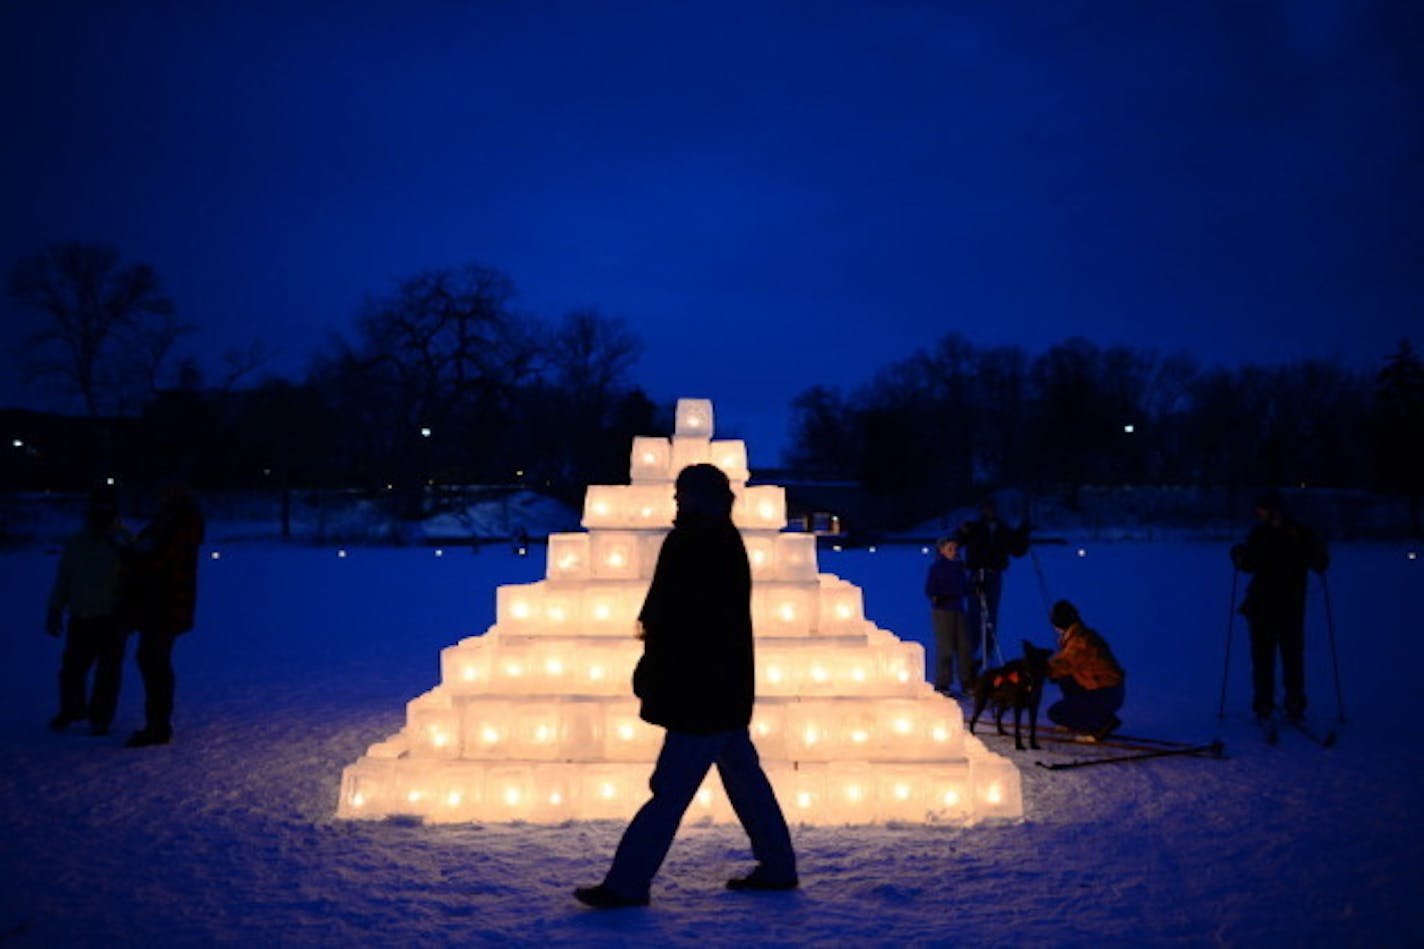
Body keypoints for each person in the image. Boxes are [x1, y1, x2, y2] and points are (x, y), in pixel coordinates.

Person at [574, 464, 797, 909]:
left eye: (684, 493)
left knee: (670, 789)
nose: (677, 499)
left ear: (705, 497)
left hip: (702, 691)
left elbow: (682, 621)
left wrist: (658, 667)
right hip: (721, 688)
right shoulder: (719, 540)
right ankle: (778, 868)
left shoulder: (698, 541)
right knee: (746, 784)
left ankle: (627, 883)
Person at [1230, 489, 1329, 723]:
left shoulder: (1296, 534)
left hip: (1282, 604)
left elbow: (1320, 562)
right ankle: (1271, 702)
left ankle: (1284, 701)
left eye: (1262, 508)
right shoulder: (1269, 533)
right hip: (1272, 604)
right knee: (1275, 656)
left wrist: (1240, 558)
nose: (1258, 512)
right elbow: (1250, 565)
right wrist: (1239, 557)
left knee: (1284, 655)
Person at [45, 486, 133, 737]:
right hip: (81, 616)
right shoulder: (77, 542)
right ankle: (72, 710)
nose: (101, 511)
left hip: (112, 617)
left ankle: (100, 717)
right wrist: (55, 609)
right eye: (97, 505)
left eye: (106, 506)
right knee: (72, 668)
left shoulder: (123, 539)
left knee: (108, 671)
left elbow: (136, 577)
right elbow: (64, 579)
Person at [124, 480, 206, 748]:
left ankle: (158, 725)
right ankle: (156, 723)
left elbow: (166, 559)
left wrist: (140, 556)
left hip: (168, 603)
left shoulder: (181, 522)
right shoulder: (169, 521)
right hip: (159, 602)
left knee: (153, 659)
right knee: (151, 659)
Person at [959, 496, 1030, 666]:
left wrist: (1023, 534)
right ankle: (971, 651)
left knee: (991, 614)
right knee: (974, 614)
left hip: (994, 574)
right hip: (977, 573)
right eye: (986, 508)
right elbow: (957, 541)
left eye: (991, 508)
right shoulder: (975, 528)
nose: (989, 512)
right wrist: (962, 532)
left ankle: (987, 652)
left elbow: (1017, 550)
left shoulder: (1003, 529)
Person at [1045, 600, 1125, 740]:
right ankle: (1082, 719)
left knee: (1055, 713)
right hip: (1104, 689)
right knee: (1066, 679)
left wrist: (1040, 669)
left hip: (1107, 693)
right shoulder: (1080, 635)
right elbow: (1064, 665)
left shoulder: (1080, 642)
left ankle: (1101, 725)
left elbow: (1064, 663)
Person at [924, 533, 974, 697]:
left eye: (955, 548)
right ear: (942, 550)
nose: (953, 551)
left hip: (958, 609)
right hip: (943, 610)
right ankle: (943, 682)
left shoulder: (959, 567)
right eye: (949, 548)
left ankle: (967, 681)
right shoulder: (937, 568)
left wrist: (974, 588)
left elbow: (964, 587)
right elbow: (930, 589)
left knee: (964, 647)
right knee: (945, 648)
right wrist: (940, 596)